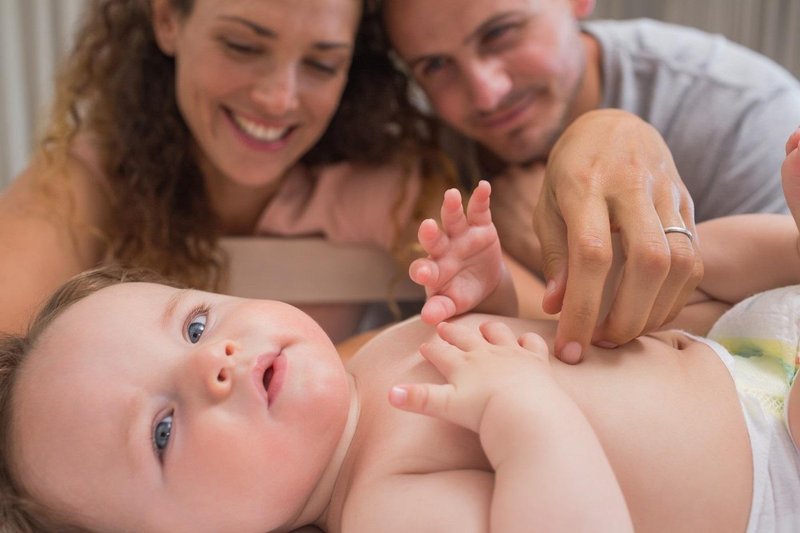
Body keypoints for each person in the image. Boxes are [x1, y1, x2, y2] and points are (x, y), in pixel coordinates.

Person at [2, 129, 800, 532]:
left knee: (695, 258)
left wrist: (484, 291)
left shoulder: (376, 359)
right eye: (164, 430)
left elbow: (554, 341)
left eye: (197, 322)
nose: (215, 360)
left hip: (732, 356)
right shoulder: (385, 507)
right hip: (772, 480)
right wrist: (525, 415)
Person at [0, 0, 461, 343]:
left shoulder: (385, 188)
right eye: (242, 46)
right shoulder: (88, 180)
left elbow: (515, 319)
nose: (280, 99)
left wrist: (351, 367)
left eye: (322, 64)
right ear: (167, 20)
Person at [379, 0, 800, 360]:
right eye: (435, 65)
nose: (487, 93)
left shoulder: (747, 115)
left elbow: (776, 342)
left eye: (501, 33)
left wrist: (547, 244)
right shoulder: (414, 150)